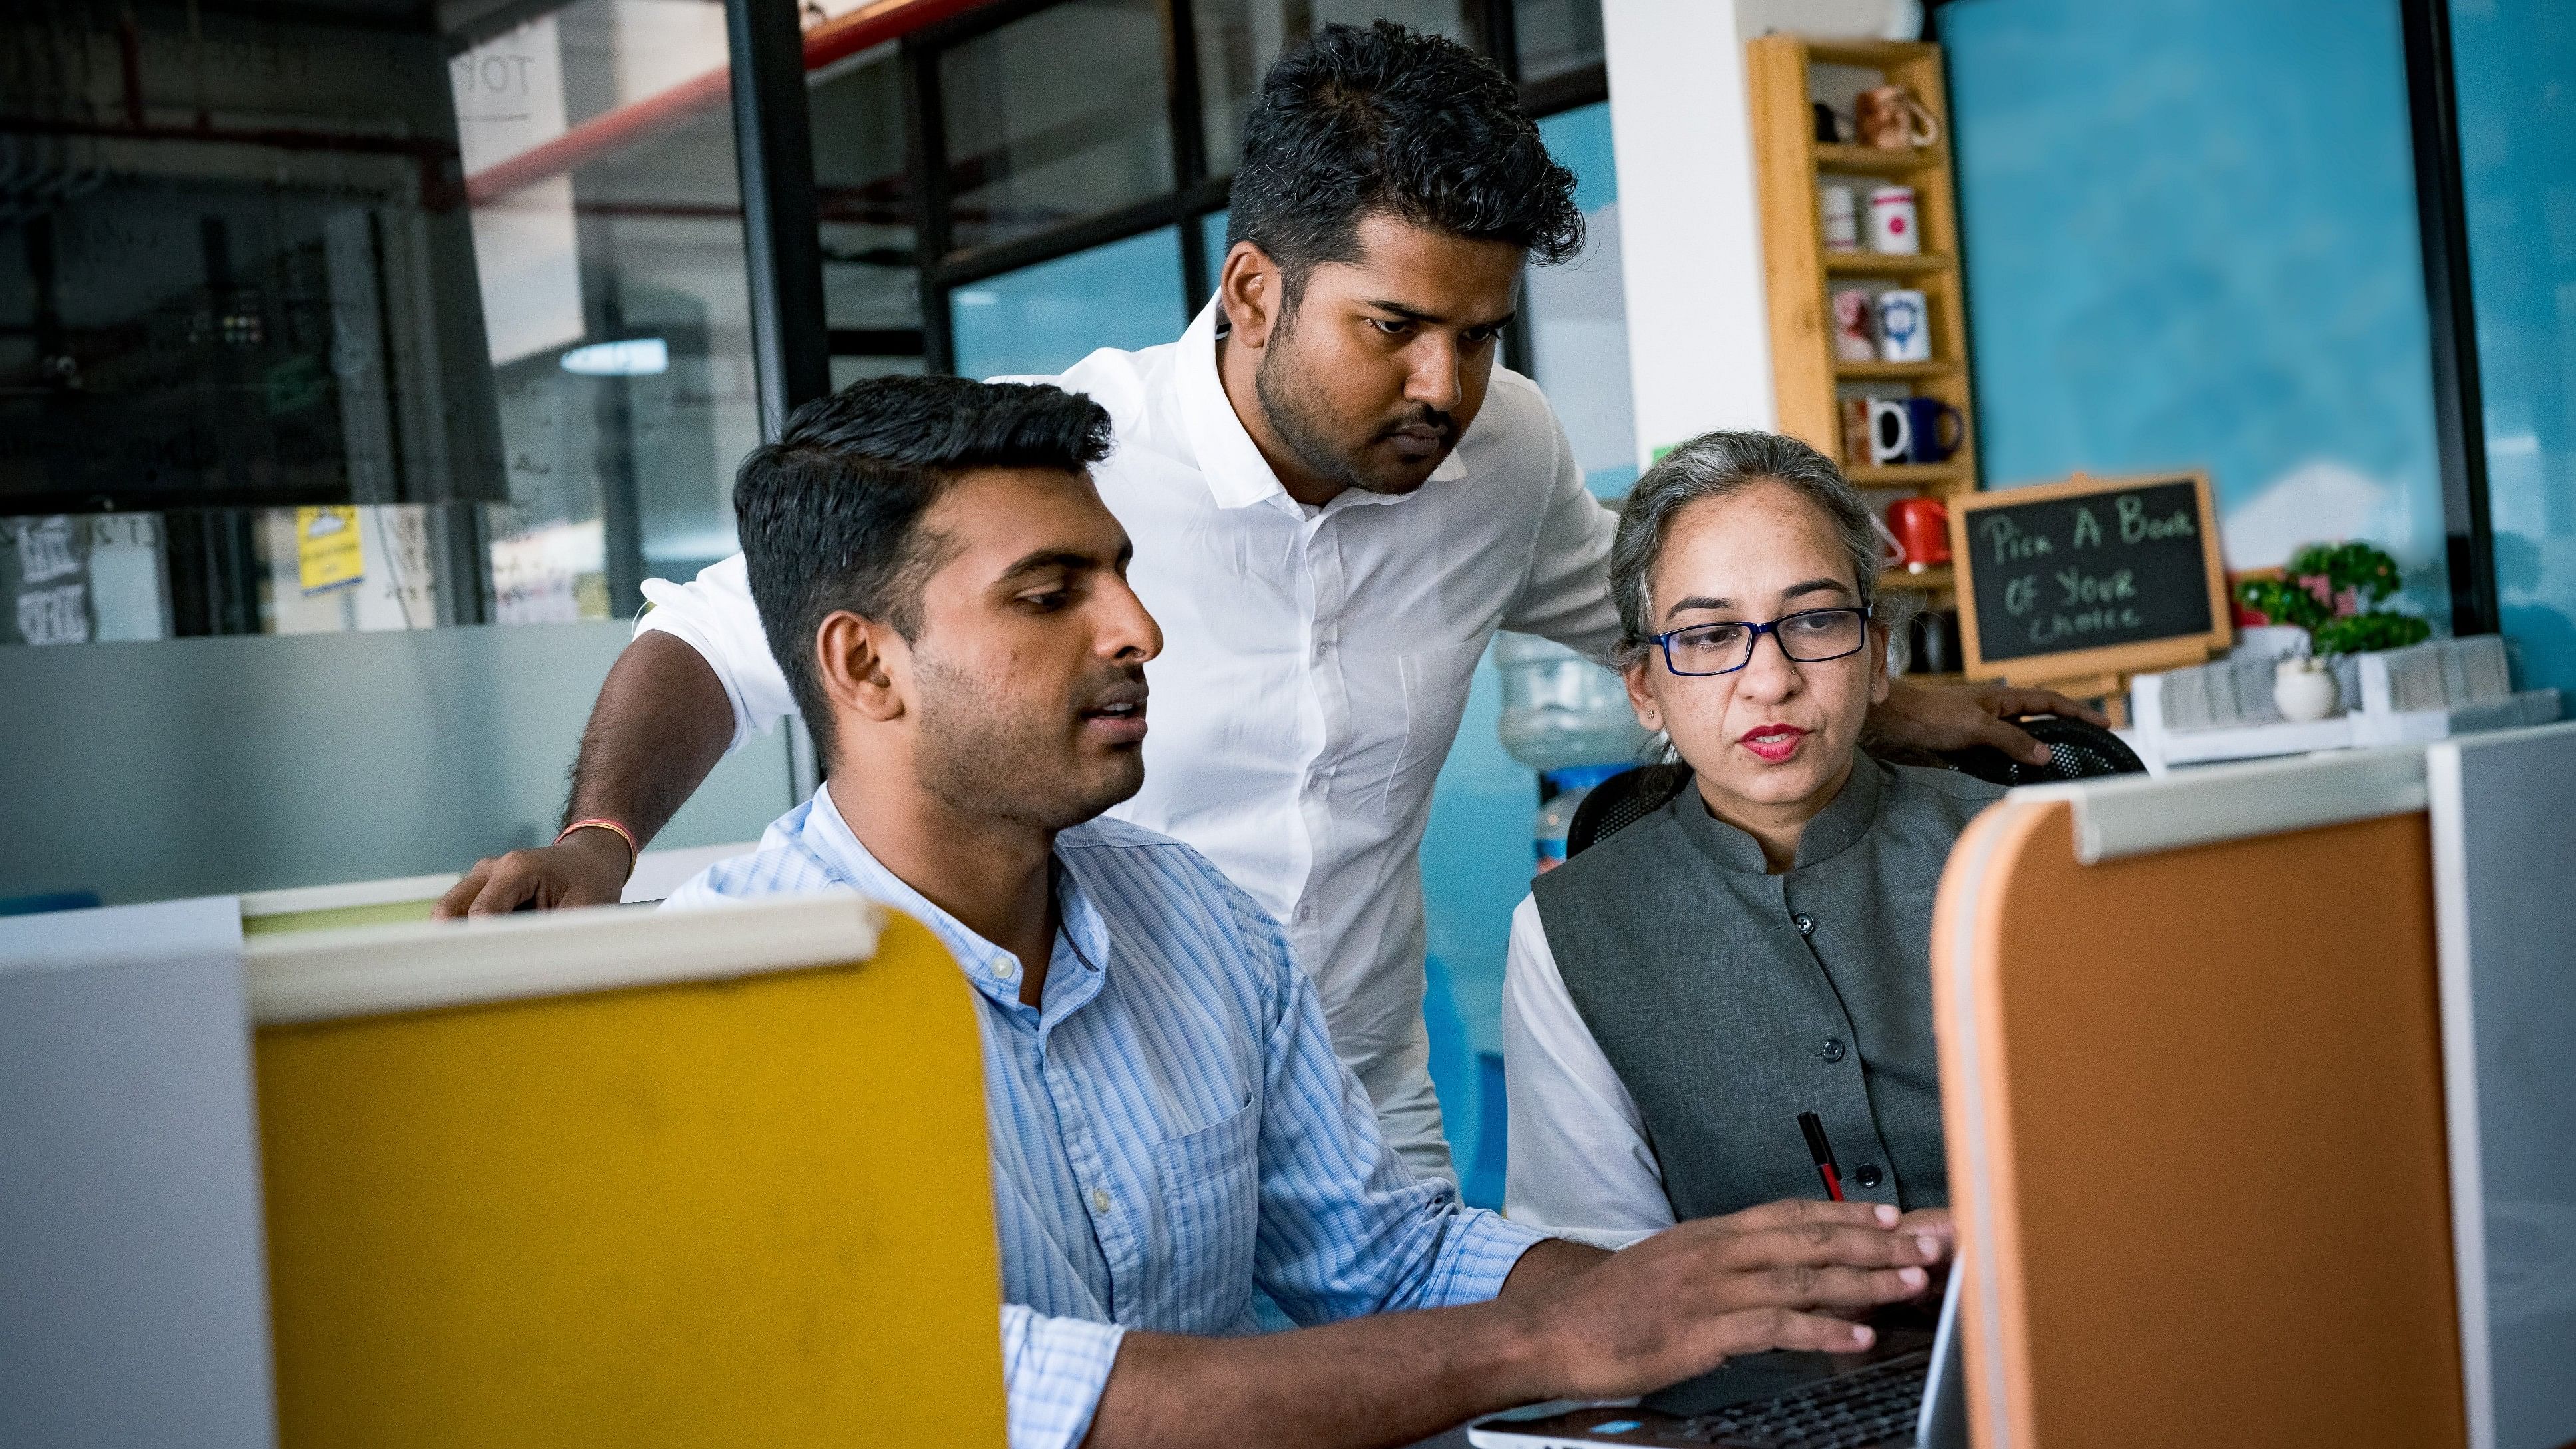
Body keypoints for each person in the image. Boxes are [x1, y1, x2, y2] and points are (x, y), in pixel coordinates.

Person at [445, 21, 2094, 1185]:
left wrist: (1894, 691)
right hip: (1077, 1114)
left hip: (1363, 1110)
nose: (1447, 383)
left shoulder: (1503, 449)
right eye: (1393, 328)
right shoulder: (1044, 481)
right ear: (1252, 289)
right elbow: (712, 637)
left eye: (1482, 331)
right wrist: (601, 840)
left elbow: (1649, 620)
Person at [661, 376, 1948, 1449]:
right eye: (1054, 594)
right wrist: (1560, 1331)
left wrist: (1706, 1290)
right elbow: (985, 1393)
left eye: (1121, 573)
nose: (1141, 628)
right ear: (864, 662)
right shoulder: (723, 1005)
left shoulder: (1193, 922)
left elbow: (1386, 1257)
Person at [1500, 432, 2006, 1245]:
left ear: (1877, 657)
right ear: (1644, 688)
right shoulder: (1565, 935)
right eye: (1707, 636)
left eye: (1812, 621)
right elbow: (1603, 1271)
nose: (1770, 680)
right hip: (1750, 1373)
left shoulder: (2020, 859)